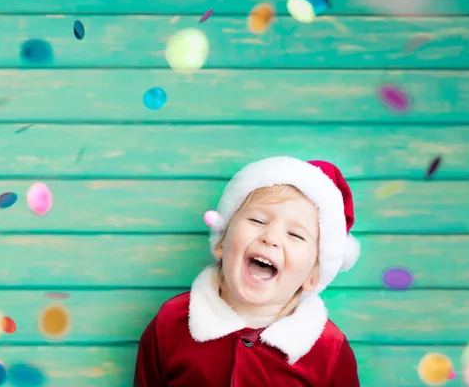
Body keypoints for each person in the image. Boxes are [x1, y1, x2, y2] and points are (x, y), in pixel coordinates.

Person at [134, 156, 361, 386]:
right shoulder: (170, 324)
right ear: (222, 241)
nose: (270, 237)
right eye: (257, 220)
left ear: (314, 276)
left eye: (295, 235)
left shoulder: (329, 350)